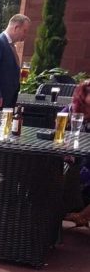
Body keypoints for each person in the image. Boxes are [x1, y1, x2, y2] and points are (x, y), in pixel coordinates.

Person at [63, 79, 90, 227]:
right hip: (73, 161)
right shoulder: (68, 112)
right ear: (83, 95)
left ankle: (84, 215)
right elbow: (58, 138)